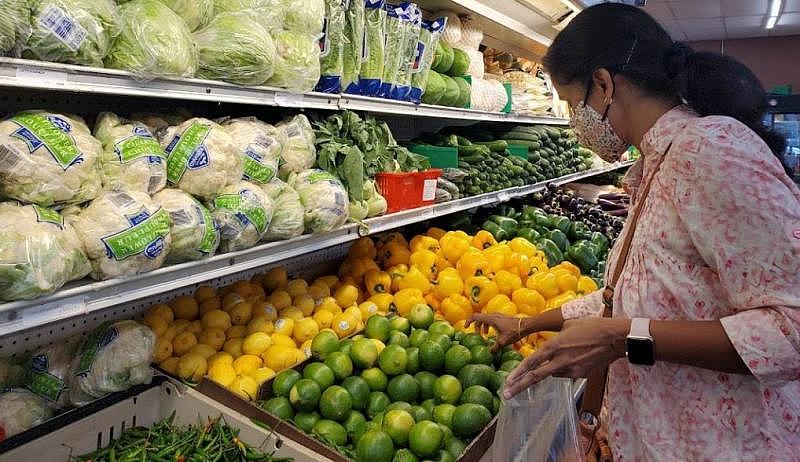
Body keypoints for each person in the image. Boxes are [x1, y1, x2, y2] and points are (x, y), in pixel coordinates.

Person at [468, 3, 800, 461]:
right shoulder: (657, 164)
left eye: (571, 103)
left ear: (603, 85)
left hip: (727, 444)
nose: (572, 121)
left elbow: (791, 328)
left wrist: (619, 338)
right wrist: (527, 324)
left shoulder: (711, 151)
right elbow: (623, 298)